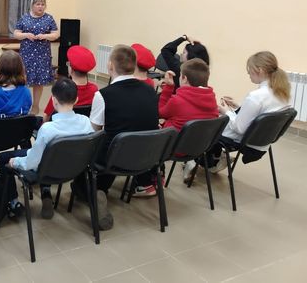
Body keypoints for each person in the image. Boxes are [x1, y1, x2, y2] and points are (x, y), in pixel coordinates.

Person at [0, 78, 93, 220]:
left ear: (53, 100)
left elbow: (32, 162)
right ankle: (46, 191)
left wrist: (16, 161)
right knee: (49, 155)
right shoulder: (86, 122)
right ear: (76, 100)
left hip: (47, 171)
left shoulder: (48, 129)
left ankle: (13, 203)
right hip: (74, 170)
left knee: (3, 158)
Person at [85, 45, 158, 228]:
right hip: (146, 158)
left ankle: (96, 190)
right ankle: (101, 188)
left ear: (110, 65)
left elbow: (94, 132)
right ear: (134, 65)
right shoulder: (151, 91)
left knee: (91, 155)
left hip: (113, 159)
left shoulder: (103, 95)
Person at [208, 51, 291, 173]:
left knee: (207, 129)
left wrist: (224, 111)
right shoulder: (282, 93)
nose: (248, 73)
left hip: (246, 141)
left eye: (249, 69)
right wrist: (239, 107)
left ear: (260, 70)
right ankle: (217, 159)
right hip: (263, 141)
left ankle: (207, 162)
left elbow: (239, 128)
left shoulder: (255, 97)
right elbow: (262, 114)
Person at [158, 58, 219, 181]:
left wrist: (168, 87)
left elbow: (160, 112)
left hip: (174, 148)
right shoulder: (212, 99)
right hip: (200, 147)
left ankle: (151, 179)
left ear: (184, 78)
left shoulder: (177, 100)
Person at [14, 0, 59, 115]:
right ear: (32, 5)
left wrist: (45, 36)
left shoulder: (49, 18)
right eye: (38, 4)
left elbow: (55, 34)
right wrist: (26, 35)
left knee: (38, 81)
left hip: (42, 55)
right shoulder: (24, 17)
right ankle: (21, 104)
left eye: (43, 4)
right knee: (22, 79)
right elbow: (16, 33)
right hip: (26, 54)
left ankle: (35, 106)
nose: (40, 7)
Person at [42, 45, 98, 122]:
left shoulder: (60, 90)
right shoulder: (94, 90)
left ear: (71, 70)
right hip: (84, 128)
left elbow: (47, 116)